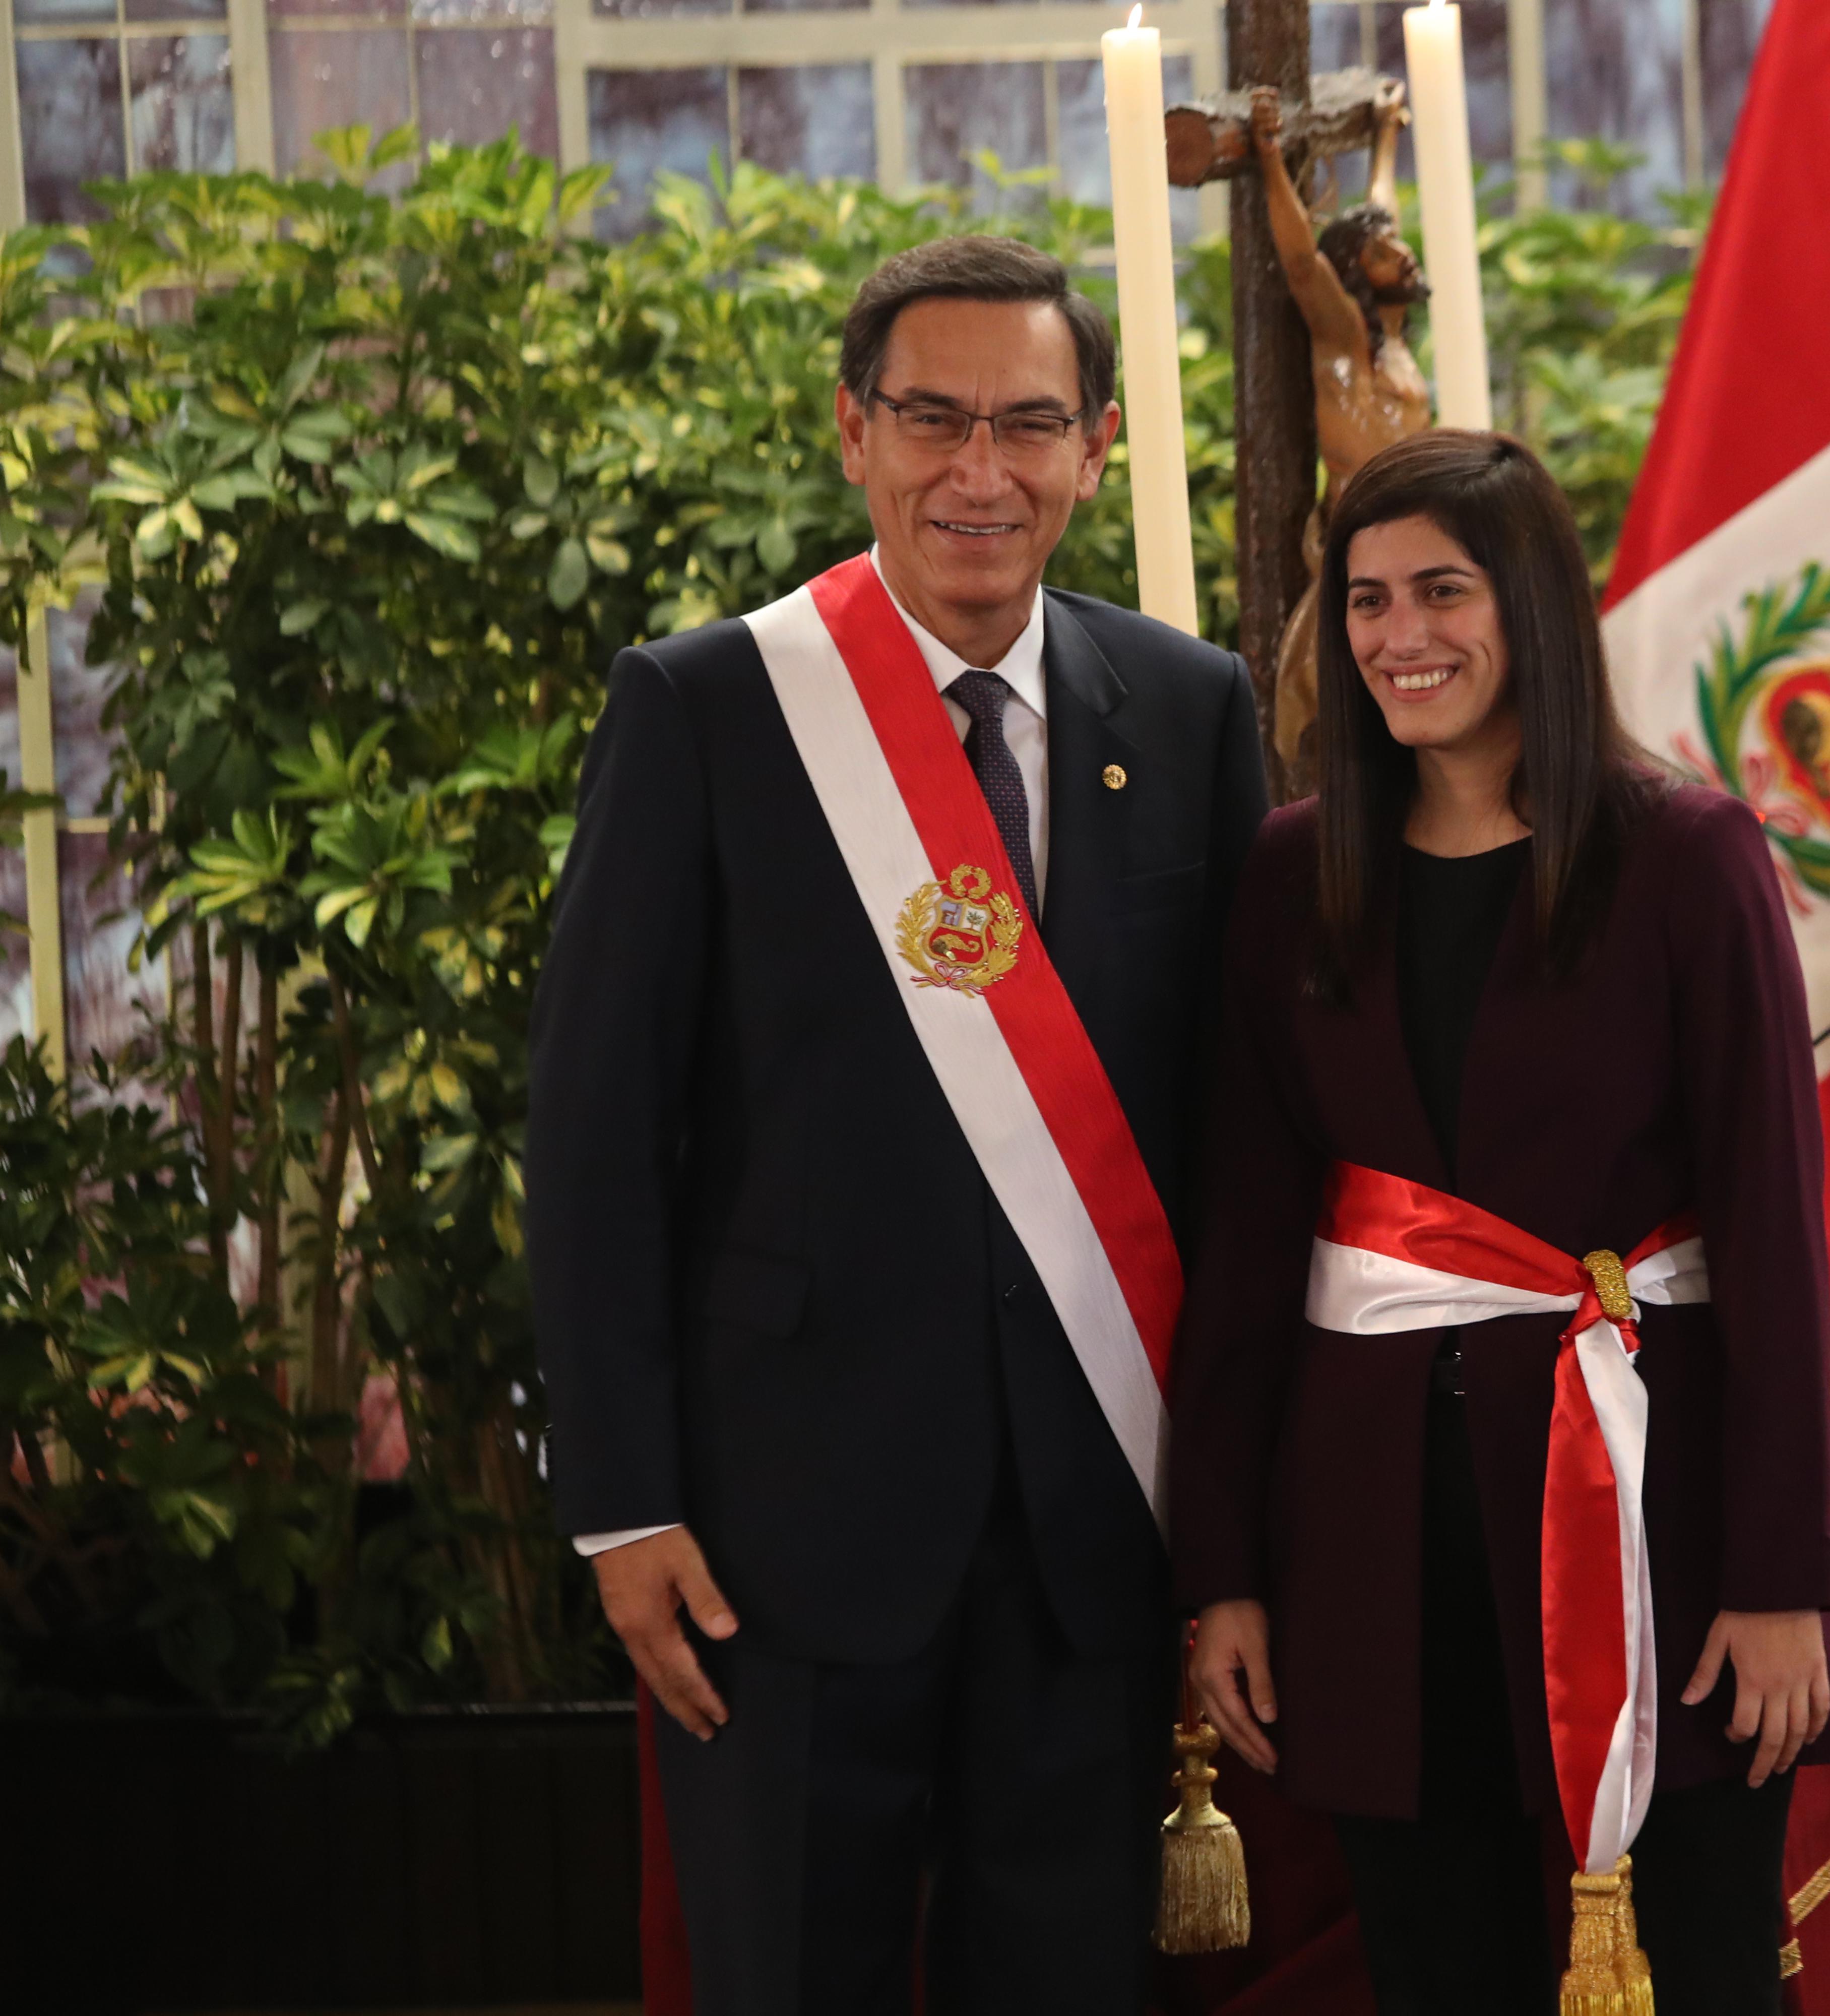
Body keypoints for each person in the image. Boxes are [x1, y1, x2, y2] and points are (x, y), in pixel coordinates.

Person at [526, 236, 1269, 2015]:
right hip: (783, 1530)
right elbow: (597, 1129)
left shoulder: (1188, 710)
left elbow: (1239, 1137)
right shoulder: (705, 706)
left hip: (1100, 1520)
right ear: (853, 434)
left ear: (1098, 448)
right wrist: (621, 1503)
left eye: (1028, 424)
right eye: (932, 419)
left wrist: (1240, 1517)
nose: (979, 472)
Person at [1170, 430, 1830, 2016]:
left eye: (1443, 593)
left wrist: (1781, 1574)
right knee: (1434, 1967)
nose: (1401, 637)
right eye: (1365, 602)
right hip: (1372, 1519)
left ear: (1532, 602)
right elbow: (1252, 1244)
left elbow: (1771, 1233)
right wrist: (1225, 1571)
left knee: (1699, 1959)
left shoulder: (1687, 858)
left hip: (1656, 1510)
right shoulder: (1292, 877)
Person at [1245, 78, 1437, 776]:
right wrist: (1268, 155)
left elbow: (1379, 212)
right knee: (1342, 726)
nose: (1403, 255)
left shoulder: (1398, 346)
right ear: (1355, 271)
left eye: (1399, 247)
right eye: (1385, 253)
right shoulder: (1343, 342)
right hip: (1357, 555)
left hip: (1425, 545)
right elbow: (1301, 262)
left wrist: (1385, 135)